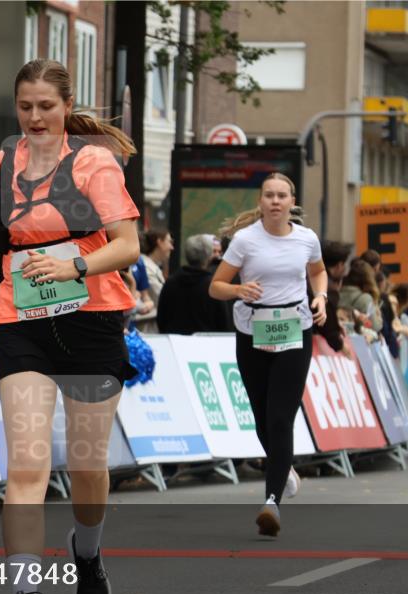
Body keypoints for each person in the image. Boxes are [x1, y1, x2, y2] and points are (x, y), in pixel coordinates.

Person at [0, 58, 140, 594]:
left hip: (89, 322)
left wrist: (74, 264)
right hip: (22, 323)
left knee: (88, 468)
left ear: (66, 107)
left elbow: (128, 247)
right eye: (26, 106)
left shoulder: (93, 163)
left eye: (46, 107)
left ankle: (87, 553)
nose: (35, 117)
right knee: (28, 465)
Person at [208, 173, 327, 538]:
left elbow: (318, 272)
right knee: (260, 416)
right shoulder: (245, 241)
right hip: (252, 332)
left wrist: (321, 296)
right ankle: (283, 468)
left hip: (294, 331)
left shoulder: (307, 239)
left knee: (280, 417)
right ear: (261, 201)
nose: (275, 201)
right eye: (269, 195)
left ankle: (271, 502)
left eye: (282, 196)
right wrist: (239, 289)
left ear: (292, 201)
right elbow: (216, 287)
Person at [157, 234, 228, 334]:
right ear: (208, 256)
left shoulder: (171, 282)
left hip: (175, 344)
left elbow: (161, 318)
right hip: (208, 344)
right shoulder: (213, 286)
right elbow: (223, 323)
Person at [136, 228, 172, 334]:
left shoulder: (151, 266)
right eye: (169, 242)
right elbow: (161, 298)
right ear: (159, 242)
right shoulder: (146, 267)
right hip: (145, 330)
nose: (172, 247)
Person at [339, 258, 383, 332]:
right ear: (368, 280)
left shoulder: (337, 293)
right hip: (356, 341)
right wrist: (379, 319)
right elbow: (375, 327)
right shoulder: (365, 298)